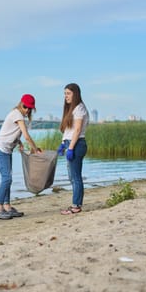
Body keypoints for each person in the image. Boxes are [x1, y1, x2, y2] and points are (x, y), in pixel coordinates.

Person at [0, 94, 41, 220]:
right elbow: (26, 135)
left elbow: (13, 132)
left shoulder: (19, 116)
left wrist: (18, 143)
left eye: (29, 108)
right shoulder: (17, 114)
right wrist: (35, 149)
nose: (27, 110)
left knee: (8, 178)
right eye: (25, 107)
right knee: (7, 178)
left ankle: (7, 207)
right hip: (0, 150)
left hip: (7, 150)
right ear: (21, 104)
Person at [57, 83, 89, 215]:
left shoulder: (80, 108)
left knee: (75, 177)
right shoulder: (72, 109)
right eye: (65, 94)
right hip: (70, 143)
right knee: (72, 177)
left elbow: (77, 130)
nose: (66, 96)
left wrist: (70, 148)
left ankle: (76, 206)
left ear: (75, 94)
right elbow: (69, 130)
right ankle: (76, 203)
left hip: (76, 144)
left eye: (68, 93)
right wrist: (62, 143)